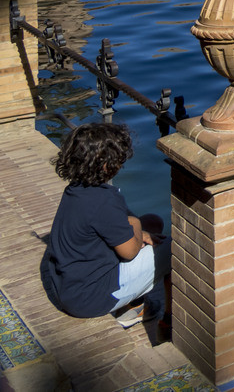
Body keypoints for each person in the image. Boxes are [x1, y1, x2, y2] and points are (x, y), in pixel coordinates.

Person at [40, 122, 170, 329]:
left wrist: (141, 230)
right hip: (90, 299)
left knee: (153, 222)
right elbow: (129, 252)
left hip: (68, 288)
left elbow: (110, 224)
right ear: (107, 165)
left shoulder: (76, 190)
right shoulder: (103, 201)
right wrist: (136, 225)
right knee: (173, 247)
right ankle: (148, 314)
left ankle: (135, 299)